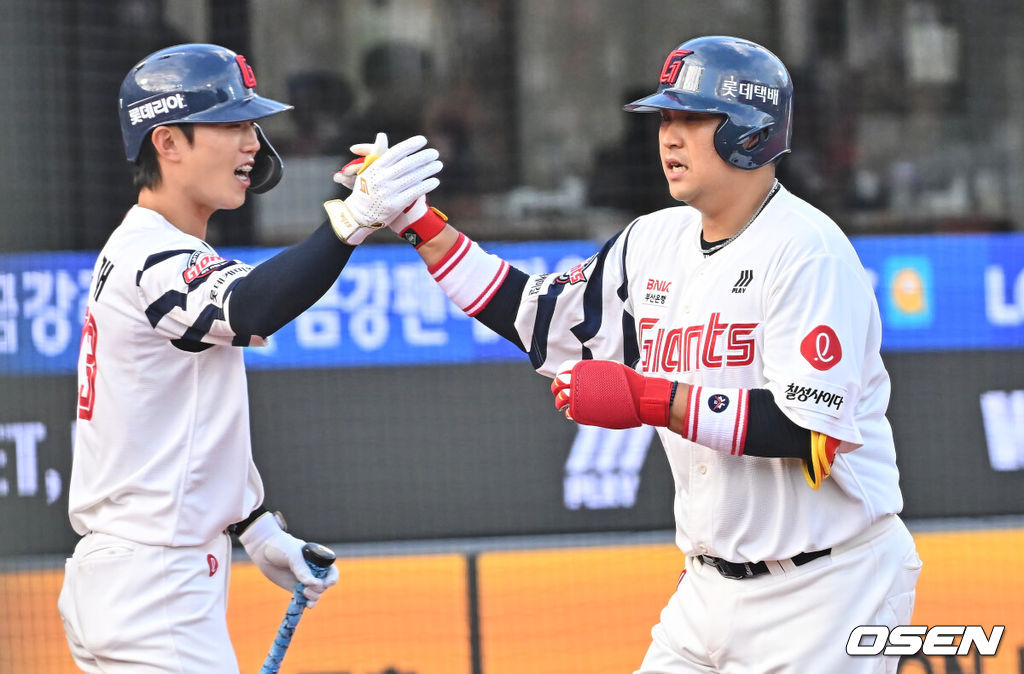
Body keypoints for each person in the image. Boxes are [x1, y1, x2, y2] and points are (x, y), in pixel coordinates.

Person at [343, 35, 921, 673]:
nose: (668, 137)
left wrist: (649, 398)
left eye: (692, 119)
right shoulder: (651, 241)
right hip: (706, 588)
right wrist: (418, 223)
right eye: (665, 119)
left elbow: (807, 429)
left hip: (827, 587)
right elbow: (535, 315)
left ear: (751, 131)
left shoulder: (809, 251)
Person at [57, 43, 441, 672]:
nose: (252, 144)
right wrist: (354, 219)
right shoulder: (151, 256)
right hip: (152, 591)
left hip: (143, 581)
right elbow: (255, 305)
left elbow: (188, 426)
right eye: (231, 125)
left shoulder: (153, 247)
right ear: (167, 142)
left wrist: (257, 529)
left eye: (251, 126)